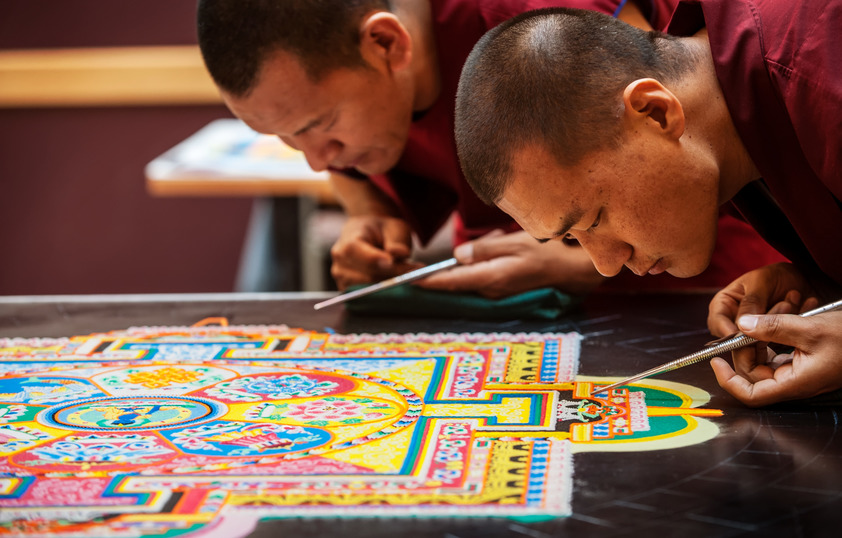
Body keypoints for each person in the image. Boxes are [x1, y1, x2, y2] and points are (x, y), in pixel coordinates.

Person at [196, 0, 783, 300]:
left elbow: (682, 151)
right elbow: (347, 170)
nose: (318, 161)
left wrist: (580, 262)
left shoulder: (535, 30)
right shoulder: (373, 113)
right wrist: (368, 212)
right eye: (288, 138)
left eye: (320, 124)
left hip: (712, 288)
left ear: (384, 42)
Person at [454, 0, 842, 406]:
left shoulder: (819, 76)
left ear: (655, 113)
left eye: (595, 219)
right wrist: (822, 284)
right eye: (571, 237)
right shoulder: (727, 135)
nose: (605, 264)